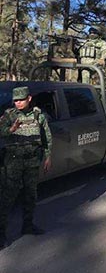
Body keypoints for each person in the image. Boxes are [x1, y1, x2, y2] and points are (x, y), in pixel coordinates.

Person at [0, 86, 52, 249]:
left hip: (32, 161)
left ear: (29, 98)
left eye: (21, 100)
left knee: (30, 195)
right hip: (13, 162)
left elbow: (47, 137)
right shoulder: (9, 115)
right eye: (15, 100)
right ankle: (1, 234)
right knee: (8, 198)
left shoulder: (39, 115)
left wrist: (48, 156)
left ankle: (27, 226)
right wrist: (11, 129)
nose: (18, 103)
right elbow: (1, 132)